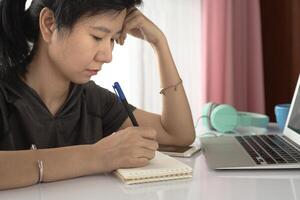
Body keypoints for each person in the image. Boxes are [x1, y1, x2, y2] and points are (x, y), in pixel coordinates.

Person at [0, 0, 195, 190]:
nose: (107, 56)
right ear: (49, 24)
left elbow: (178, 134)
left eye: (113, 39)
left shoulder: (93, 99)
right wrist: (97, 156)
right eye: (97, 36)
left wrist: (158, 43)